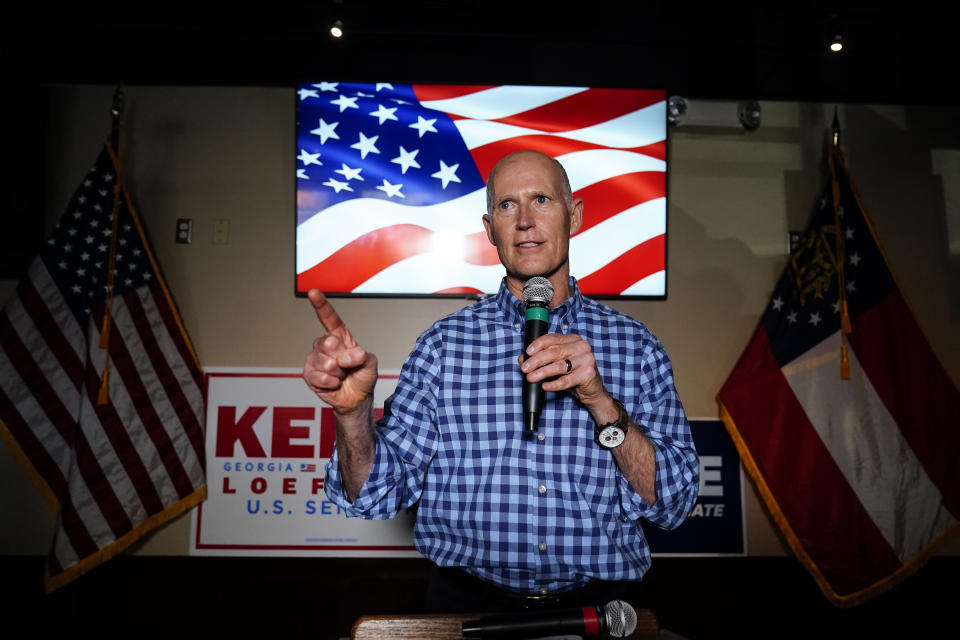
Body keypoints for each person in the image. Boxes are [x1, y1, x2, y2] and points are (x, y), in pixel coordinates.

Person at [303, 150, 699, 612]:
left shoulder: (637, 347)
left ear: (575, 216)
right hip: (466, 612)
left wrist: (600, 402)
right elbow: (372, 497)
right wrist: (352, 416)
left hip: (598, 615)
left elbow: (674, 504)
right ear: (490, 229)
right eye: (508, 205)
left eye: (542, 200)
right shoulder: (442, 347)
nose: (525, 221)